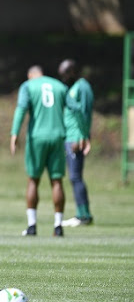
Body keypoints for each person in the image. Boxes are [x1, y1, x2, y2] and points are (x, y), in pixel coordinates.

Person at [10, 65, 68, 237]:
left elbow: (21, 109)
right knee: (57, 181)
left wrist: (14, 133)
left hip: (37, 138)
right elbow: (75, 108)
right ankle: (58, 226)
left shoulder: (28, 86)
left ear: (30, 75)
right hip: (58, 136)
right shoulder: (59, 86)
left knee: (33, 180)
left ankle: (32, 225)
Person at [58, 59, 94, 227]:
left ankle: (84, 215)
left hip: (76, 138)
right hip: (69, 136)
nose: (63, 78)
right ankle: (81, 213)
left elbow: (84, 113)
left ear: (73, 72)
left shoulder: (83, 86)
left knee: (75, 176)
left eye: (65, 74)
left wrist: (83, 136)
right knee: (73, 177)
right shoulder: (71, 87)